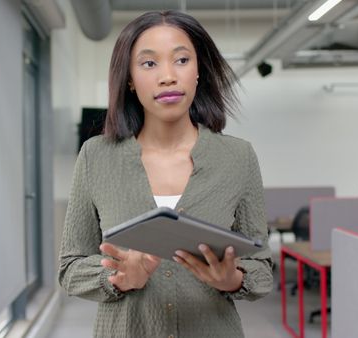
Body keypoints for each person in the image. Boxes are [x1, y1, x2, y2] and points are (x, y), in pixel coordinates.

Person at [58, 10, 273, 338]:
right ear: (129, 78)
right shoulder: (96, 157)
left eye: (182, 60)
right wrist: (119, 276)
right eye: (149, 63)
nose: (168, 76)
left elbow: (262, 269)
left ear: (198, 70)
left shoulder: (238, 157)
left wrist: (234, 279)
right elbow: (70, 268)